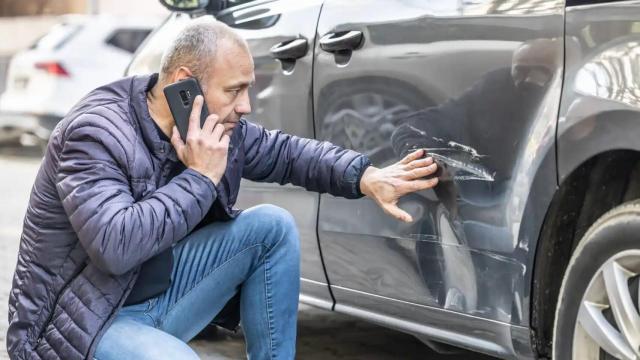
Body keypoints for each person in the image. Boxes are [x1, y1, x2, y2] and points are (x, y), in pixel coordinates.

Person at [6, 17, 439, 360]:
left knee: (271, 225)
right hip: (82, 326)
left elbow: (286, 153)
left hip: (156, 299)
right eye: (235, 90)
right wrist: (199, 177)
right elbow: (115, 246)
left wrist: (363, 176)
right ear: (184, 83)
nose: (246, 105)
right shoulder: (95, 133)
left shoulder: (214, 127)